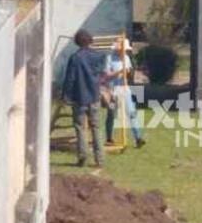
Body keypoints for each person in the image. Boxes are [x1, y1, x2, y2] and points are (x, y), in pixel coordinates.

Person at [62, 29, 106, 167]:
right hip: (94, 96)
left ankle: (82, 156)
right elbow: (100, 72)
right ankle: (100, 159)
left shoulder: (75, 58)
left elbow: (70, 79)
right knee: (96, 127)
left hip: (79, 97)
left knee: (80, 128)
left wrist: (66, 96)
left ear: (77, 42)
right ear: (90, 40)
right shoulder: (99, 57)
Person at [104, 37, 146, 148]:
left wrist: (128, 72)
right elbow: (107, 75)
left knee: (131, 112)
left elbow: (129, 72)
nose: (125, 51)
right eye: (123, 49)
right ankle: (109, 138)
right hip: (113, 90)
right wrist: (119, 71)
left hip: (125, 89)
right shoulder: (109, 58)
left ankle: (138, 138)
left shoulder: (126, 58)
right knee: (112, 114)